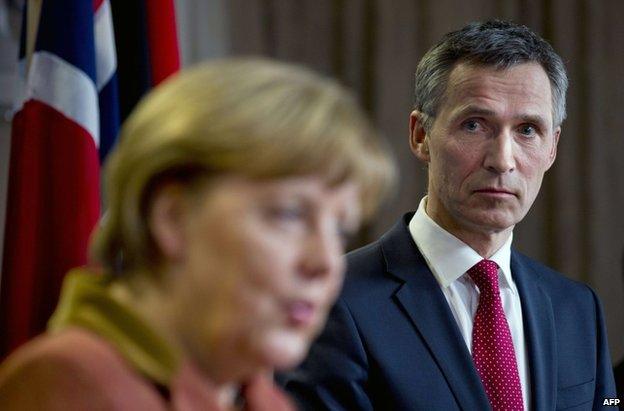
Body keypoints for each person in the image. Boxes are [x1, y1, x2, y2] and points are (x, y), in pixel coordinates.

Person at [0, 58, 395, 410]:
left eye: (340, 230)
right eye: (289, 214)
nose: (326, 263)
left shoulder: (262, 399)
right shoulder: (70, 387)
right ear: (172, 218)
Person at [281, 20, 617, 410]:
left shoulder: (577, 308)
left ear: (552, 148)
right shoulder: (332, 301)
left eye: (527, 130)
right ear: (421, 135)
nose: (502, 160)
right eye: (474, 125)